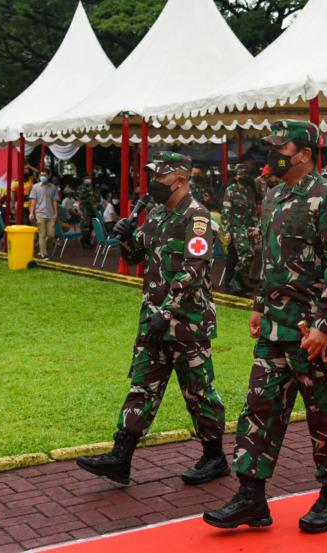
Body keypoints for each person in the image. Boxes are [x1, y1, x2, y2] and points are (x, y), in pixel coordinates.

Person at [204, 120, 327, 534]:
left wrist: (325, 325)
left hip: (313, 332)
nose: (272, 153)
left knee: (325, 416)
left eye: (280, 146)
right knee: (259, 409)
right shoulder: (274, 196)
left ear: (304, 153)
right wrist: (258, 304)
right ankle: (252, 497)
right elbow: (269, 260)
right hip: (274, 328)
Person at [76, 152, 228, 486]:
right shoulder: (157, 215)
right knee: (142, 386)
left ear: (180, 179)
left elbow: (194, 271)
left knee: (199, 393)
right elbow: (135, 258)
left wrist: (168, 311)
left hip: (186, 322)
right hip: (154, 319)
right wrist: (126, 235)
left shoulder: (197, 218)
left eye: (159, 178)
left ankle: (215, 456)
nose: (152, 184)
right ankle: (121, 457)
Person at [222, 163, 260, 296]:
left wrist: (256, 227)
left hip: (248, 228)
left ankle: (239, 282)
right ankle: (232, 283)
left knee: (249, 255)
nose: (241, 176)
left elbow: (253, 210)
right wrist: (227, 231)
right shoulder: (231, 189)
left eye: (244, 174)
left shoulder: (250, 190)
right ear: (235, 176)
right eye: (239, 174)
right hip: (235, 229)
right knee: (241, 256)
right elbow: (226, 211)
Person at [29, 169, 58, 260]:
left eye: (45, 175)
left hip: (50, 214)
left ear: (49, 176)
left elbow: (55, 201)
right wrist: (31, 213)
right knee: (42, 234)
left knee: (51, 235)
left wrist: (56, 214)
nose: (42, 177)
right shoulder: (35, 187)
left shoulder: (53, 187)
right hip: (39, 214)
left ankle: (43, 249)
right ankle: (44, 254)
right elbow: (33, 200)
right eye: (41, 175)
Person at [76, 175, 99, 248]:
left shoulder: (90, 187)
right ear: (83, 179)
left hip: (91, 210)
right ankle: (84, 241)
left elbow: (94, 197)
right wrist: (92, 204)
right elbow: (82, 198)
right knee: (85, 226)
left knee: (91, 226)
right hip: (85, 210)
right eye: (87, 178)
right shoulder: (81, 188)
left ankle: (88, 241)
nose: (89, 179)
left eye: (89, 178)